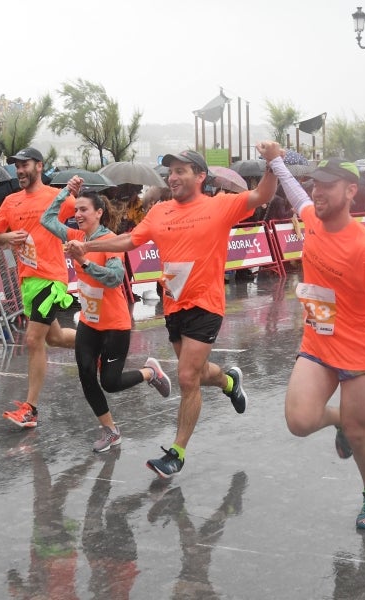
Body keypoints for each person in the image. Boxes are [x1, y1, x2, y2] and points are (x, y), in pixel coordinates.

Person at [67, 148, 277, 478]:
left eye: (181, 171)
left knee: (186, 377)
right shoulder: (160, 211)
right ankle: (228, 381)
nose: (173, 177)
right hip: (174, 305)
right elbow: (128, 242)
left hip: (206, 304)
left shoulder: (220, 205)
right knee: (196, 372)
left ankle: (176, 453)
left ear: (200, 176)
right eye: (171, 172)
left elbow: (263, 193)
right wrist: (88, 247)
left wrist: (273, 162)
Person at [262, 143, 365, 530]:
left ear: (351, 191)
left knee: (361, 436)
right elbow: (292, 189)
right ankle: (339, 421)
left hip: (361, 355)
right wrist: (275, 159)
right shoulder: (312, 218)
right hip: (318, 344)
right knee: (299, 421)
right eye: (316, 185)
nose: (317, 192)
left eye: (328, 185)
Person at [41, 179, 172, 452]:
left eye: (83, 210)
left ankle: (150, 372)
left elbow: (114, 278)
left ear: (99, 212)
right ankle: (110, 430)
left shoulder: (110, 242)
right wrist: (67, 192)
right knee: (86, 376)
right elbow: (47, 218)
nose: (77, 215)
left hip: (115, 325)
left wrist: (85, 261)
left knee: (110, 383)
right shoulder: (75, 238)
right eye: (75, 210)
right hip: (89, 323)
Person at [0, 148, 78, 429]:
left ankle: (31, 409)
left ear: (39, 166)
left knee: (32, 340)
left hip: (51, 277)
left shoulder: (55, 196)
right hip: (27, 280)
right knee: (55, 339)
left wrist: (73, 190)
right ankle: (96, 342)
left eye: (25, 165)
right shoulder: (10, 201)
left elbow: (83, 212)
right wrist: (7, 237)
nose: (20, 171)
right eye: (16, 166)